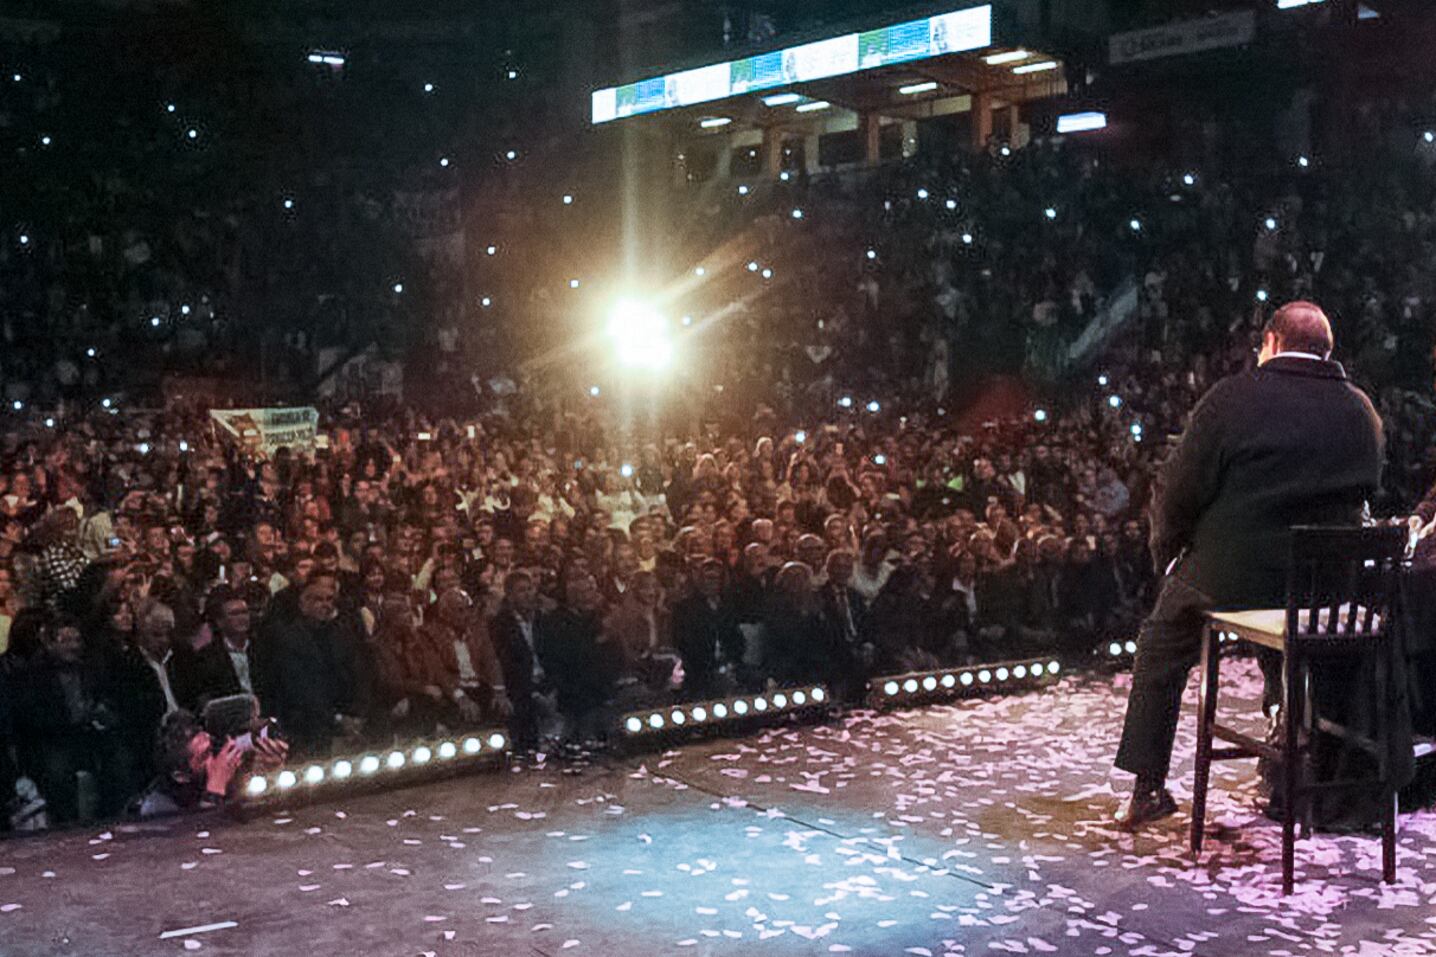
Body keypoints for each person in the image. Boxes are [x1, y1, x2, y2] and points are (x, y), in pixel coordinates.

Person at [1113, 302, 1384, 829]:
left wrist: (1166, 556)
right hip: (1326, 594)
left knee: (1160, 648)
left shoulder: (1232, 399)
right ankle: (1286, 737)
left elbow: (1178, 491)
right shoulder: (1362, 410)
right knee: (1282, 636)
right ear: (1328, 351)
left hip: (1232, 580)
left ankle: (1147, 786)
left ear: (1272, 342)